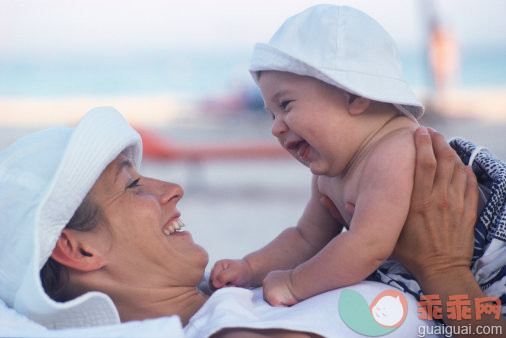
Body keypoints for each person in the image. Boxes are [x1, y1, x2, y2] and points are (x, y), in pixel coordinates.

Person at [0, 107, 503, 338]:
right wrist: (443, 269)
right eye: (132, 186)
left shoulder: (248, 297)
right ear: (79, 249)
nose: (172, 189)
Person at [210, 4, 505, 316]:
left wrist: (295, 284)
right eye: (271, 114)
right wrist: (251, 266)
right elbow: (306, 238)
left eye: (285, 104)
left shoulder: (395, 150)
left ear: (354, 95)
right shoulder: (330, 172)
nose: (275, 126)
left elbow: (366, 247)